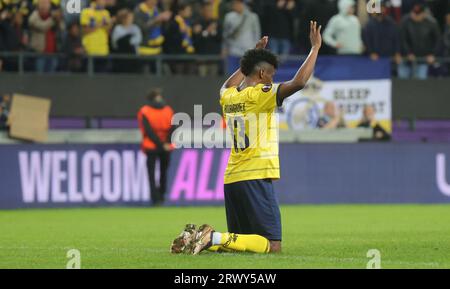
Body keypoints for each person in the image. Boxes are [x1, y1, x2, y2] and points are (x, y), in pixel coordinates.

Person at [170, 21, 322, 255]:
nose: (272, 80)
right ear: (262, 73)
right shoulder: (259, 94)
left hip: (232, 178)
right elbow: (299, 82)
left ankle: (196, 238)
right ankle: (212, 237)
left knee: (240, 244)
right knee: (272, 246)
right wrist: (314, 49)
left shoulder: (229, 96)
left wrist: (251, 55)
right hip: (256, 175)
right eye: (271, 75)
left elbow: (226, 84)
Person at [137, 89, 174, 206]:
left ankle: (155, 199)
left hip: (151, 146)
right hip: (166, 146)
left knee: (151, 173)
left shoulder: (144, 111)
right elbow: (172, 127)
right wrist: (166, 143)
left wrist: (160, 144)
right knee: (164, 172)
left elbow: (148, 131)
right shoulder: (168, 110)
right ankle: (162, 195)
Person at [398, 2, 441, 79]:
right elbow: (402, 39)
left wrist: (433, 54)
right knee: (403, 83)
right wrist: (408, 53)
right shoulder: (405, 21)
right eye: (414, 13)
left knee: (420, 83)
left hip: (423, 59)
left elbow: (438, 41)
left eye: (418, 14)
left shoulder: (432, 23)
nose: (415, 16)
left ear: (424, 14)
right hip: (406, 59)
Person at [222, 0, 261, 73]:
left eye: (238, 3)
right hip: (233, 50)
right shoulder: (229, 17)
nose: (236, 5)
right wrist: (224, 48)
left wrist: (256, 48)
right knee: (231, 73)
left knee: (247, 73)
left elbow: (257, 34)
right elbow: (225, 34)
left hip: (248, 50)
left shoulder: (252, 16)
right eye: (234, 3)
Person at [28, 0, 64, 73]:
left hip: (53, 53)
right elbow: (43, 27)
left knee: (51, 79)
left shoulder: (52, 15)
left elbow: (62, 28)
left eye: (46, 3)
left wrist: (59, 20)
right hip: (39, 53)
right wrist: (53, 19)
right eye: (42, 3)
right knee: (39, 77)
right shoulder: (34, 17)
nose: (44, 6)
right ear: (38, 5)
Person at [80, 0, 112, 71]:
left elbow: (108, 32)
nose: (104, 2)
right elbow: (85, 31)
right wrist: (100, 24)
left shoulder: (105, 13)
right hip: (90, 50)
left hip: (103, 51)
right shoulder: (86, 12)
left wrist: (109, 24)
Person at [192, 1, 222, 76]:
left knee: (213, 80)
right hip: (202, 58)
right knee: (202, 80)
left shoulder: (217, 22)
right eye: (208, 10)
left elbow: (220, 38)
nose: (210, 12)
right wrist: (207, 31)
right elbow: (196, 41)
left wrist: (213, 32)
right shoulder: (197, 23)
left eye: (211, 10)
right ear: (203, 11)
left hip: (214, 58)